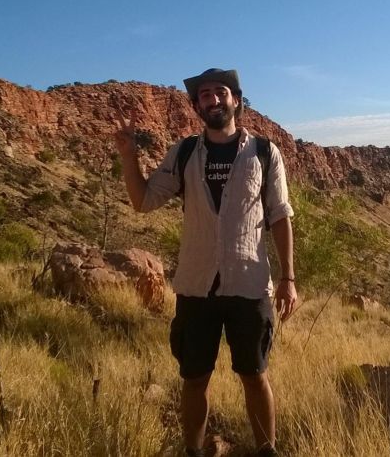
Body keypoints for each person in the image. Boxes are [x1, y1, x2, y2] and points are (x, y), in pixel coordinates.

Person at [113, 68, 297, 457]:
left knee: (254, 375)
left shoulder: (264, 152)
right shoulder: (183, 153)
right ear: (197, 106)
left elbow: (279, 215)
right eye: (205, 96)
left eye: (220, 93)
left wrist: (289, 278)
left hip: (249, 284)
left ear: (236, 100)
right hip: (197, 286)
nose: (213, 100)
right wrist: (129, 157)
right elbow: (143, 201)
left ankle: (267, 450)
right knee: (194, 378)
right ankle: (193, 451)